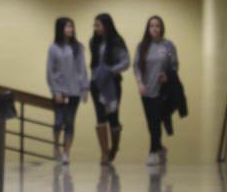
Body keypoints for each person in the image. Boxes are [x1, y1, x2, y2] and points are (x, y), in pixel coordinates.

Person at [133, 16, 179, 165]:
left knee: (155, 120)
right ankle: (160, 148)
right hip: (146, 89)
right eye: (152, 26)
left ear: (161, 28)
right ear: (148, 28)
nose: (154, 28)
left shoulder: (168, 46)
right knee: (151, 123)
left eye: (157, 26)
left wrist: (168, 76)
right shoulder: (142, 46)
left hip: (162, 90)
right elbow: (136, 66)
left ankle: (152, 152)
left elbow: (174, 65)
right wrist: (140, 84)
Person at [46, 18, 89, 164]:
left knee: (70, 121)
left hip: (75, 90)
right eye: (67, 26)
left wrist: (84, 88)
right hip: (59, 90)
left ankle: (66, 153)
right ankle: (56, 144)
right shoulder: (53, 48)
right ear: (61, 29)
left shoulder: (78, 47)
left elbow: (82, 68)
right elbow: (50, 72)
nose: (70, 29)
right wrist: (55, 92)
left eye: (72, 26)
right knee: (58, 121)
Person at [89, 13, 130, 163]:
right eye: (95, 25)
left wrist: (110, 70)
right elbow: (93, 65)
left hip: (112, 82)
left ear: (106, 26)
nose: (96, 28)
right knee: (100, 116)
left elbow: (126, 62)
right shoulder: (93, 42)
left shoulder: (117, 41)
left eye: (98, 25)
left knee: (113, 117)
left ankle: (114, 147)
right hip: (96, 83)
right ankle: (104, 153)